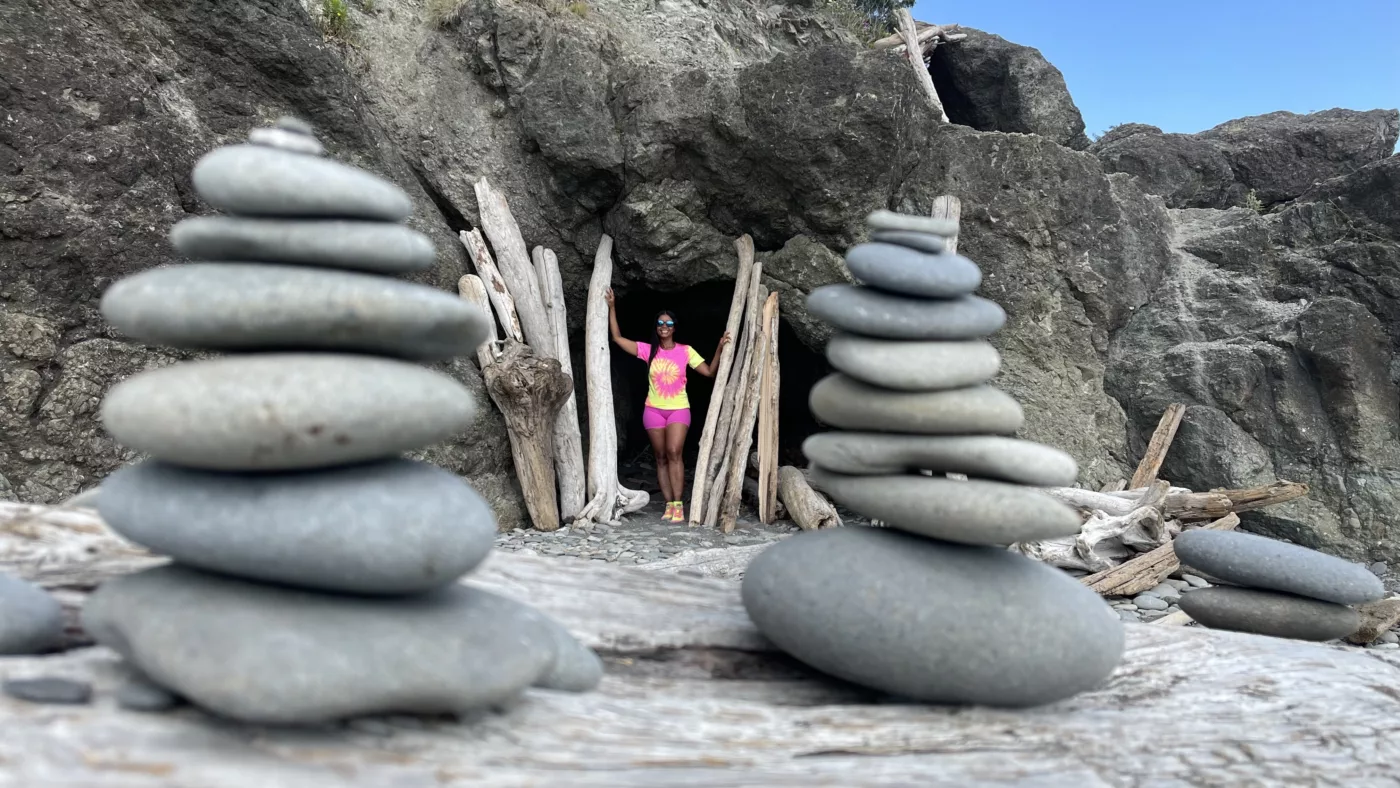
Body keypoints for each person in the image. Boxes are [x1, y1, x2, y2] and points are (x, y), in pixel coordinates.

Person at [606, 288, 730, 523]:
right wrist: (612, 307)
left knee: (674, 452)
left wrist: (720, 347)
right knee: (661, 456)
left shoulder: (686, 351)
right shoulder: (648, 350)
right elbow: (618, 339)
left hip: (678, 409)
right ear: (657, 327)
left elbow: (710, 372)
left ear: (674, 327)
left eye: (669, 322)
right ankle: (669, 505)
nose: (665, 326)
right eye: (661, 323)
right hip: (652, 410)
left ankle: (678, 504)